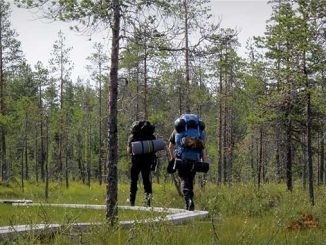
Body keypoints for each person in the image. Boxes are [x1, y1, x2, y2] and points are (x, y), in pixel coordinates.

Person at [168, 117, 205, 211]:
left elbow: (171, 147)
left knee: (184, 178)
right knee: (190, 179)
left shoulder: (177, 131)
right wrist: (202, 160)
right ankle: (190, 200)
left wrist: (173, 158)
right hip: (195, 158)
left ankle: (188, 200)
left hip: (182, 158)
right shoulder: (197, 131)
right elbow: (201, 148)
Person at [127, 120, 156, 207]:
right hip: (147, 161)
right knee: (146, 182)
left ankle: (132, 202)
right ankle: (147, 203)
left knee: (133, 181)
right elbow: (154, 149)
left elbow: (129, 151)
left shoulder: (132, 136)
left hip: (136, 161)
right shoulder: (151, 137)